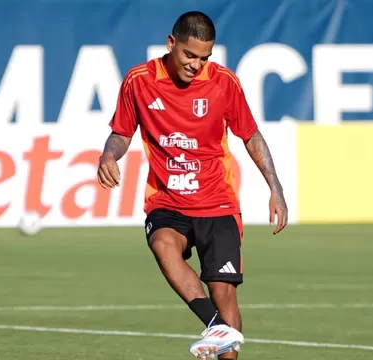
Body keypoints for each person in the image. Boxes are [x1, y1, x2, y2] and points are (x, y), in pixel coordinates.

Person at [97, 10, 288, 360]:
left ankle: (221, 331)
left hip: (217, 203)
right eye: (189, 55)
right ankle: (215, 325)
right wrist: (108, 157)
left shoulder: (223, 82)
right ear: (172, 43)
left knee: (223, 292)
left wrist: (275, 189)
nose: (196, 65)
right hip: (167, 201)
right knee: (163, 244)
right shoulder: (139, 81)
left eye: (204, 58)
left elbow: (251, 136)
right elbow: (121, 133)